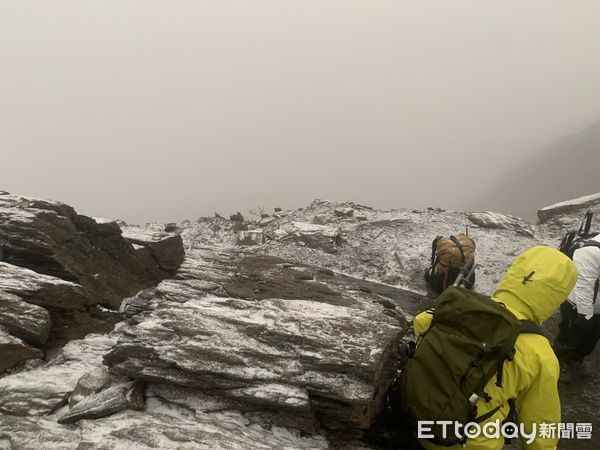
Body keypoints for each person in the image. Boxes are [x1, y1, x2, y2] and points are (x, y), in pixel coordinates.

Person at [412, 246, 577, 449]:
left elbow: (421, 321)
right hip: (470, 442)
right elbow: (540, 423)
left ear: (514, 274)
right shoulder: (541, 353)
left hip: (418, 421)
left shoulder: (465, 306)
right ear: (557, 296)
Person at [555, 232, 600, 380]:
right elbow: (584, 285)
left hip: (597, 307)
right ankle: (560, 363)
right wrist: (585, 314)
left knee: (591, 337)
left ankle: (576, 359)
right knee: (569, 333)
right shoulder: (591, 251)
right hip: (576, 304)